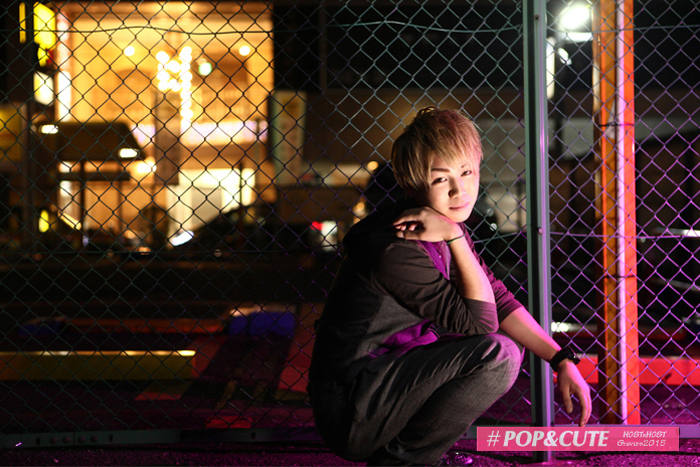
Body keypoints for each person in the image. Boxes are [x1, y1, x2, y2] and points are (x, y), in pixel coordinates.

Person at [308, 107, 591, 466]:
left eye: (467, 172)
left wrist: (561, 359)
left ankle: (413, 458)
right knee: (498, 354)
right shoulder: (396, 246)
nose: (460, 190)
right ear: (413, 184)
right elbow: (481, 323)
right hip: (353, 405)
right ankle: (405, 462)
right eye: (442, 179)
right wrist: (455, 237)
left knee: (489, 344)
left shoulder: (441, 227)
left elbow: (498, 299)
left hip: (384, 383)